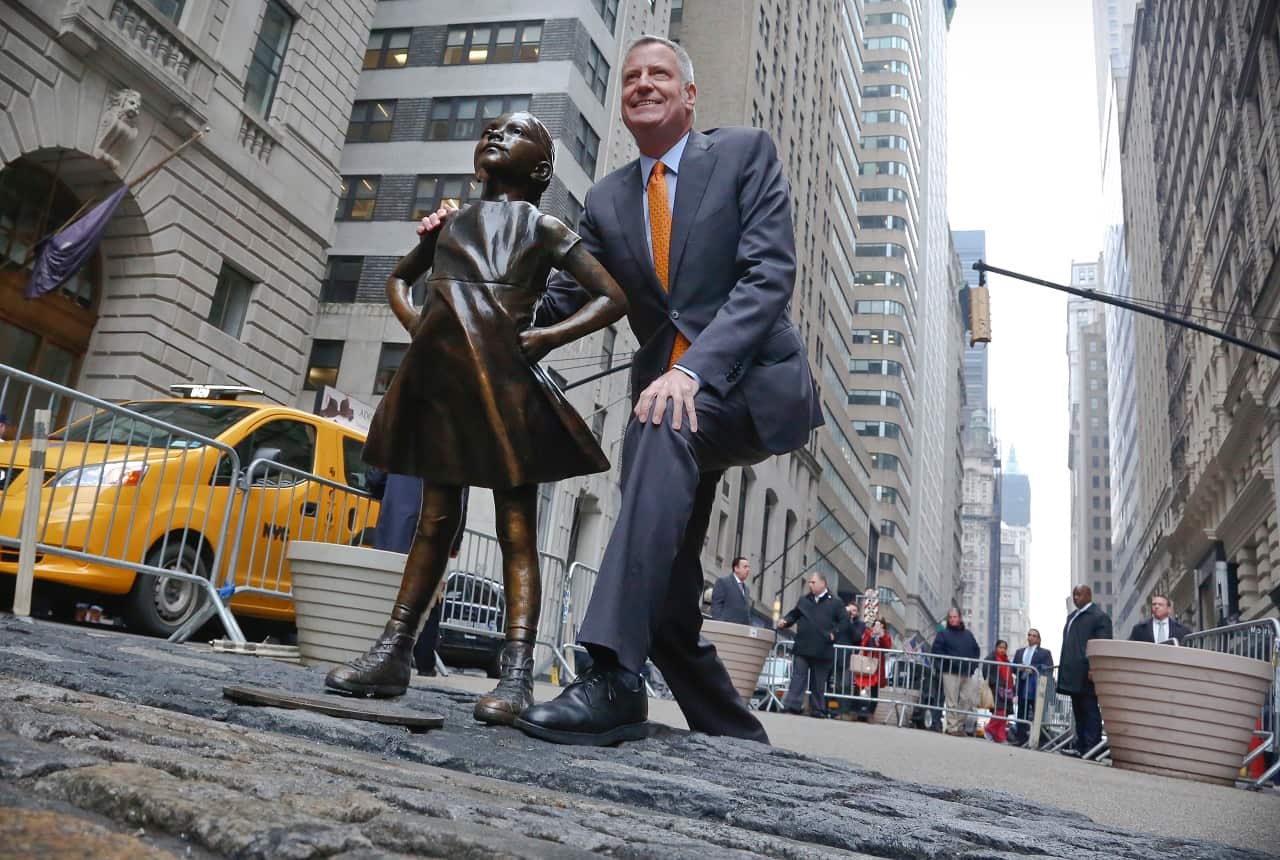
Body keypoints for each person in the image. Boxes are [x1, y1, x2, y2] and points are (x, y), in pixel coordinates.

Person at [512, 35, 821, 746]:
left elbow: (768, 276)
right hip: (668, 403)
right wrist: (467, 263)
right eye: (631, 76)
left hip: (745, 389)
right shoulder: (610, 198)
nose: (642, 84)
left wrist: (693, 370)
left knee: (660, 427)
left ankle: (613, 675)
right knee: (669, 573)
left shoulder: (745, 153)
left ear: (689, 95)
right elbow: (558, 296)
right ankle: (736, 737)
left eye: (659, 75)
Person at [325, 111, 628, 728]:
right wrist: (419, 329)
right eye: (489, 129)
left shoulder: (542, 226)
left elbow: (612, 296)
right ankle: (394, 651)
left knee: (516, 527)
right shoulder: (453, 220)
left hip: (504, 388)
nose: (494, 136)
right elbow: (398, 280)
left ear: (541, 168)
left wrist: (545, 335)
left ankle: (515, 674)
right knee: (433, 521)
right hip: (442, 388)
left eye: (513, 133)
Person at [777, 573, 845, 718]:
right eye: (809, 582)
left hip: (823, 648)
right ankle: (792, 705)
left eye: (813, 582)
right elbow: (794, 614)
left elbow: (844, 622)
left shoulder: (835, 603)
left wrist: (835, 634)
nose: (810, 585)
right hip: (803, 645)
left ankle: (817, 709)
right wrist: (786, 621)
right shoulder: (804, 600)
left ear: (823, 583)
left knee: (818, 681)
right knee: (798, 677)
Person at [1058, 584, 1113, 756]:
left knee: (1089, 709)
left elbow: (1102, 645)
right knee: (1078, 709)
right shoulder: (1072, 616)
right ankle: (1080, 745)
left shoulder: (1099, 617)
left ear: (1089, 595)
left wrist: (1094, 666)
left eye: (1079, 595)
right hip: (1073, 672)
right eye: (1074, 595)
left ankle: (1092, 746)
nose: (1076, 598)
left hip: (1087, 672)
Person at [931, 608, 981, 736]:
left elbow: (976, 651)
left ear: (960, 618)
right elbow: (936, 650)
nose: (953, 619)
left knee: (967, 699)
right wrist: (948, 663)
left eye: (955, 617)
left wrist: (973, 666)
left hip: (966, 672)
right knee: (951, 701)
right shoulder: (943, 634)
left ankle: (959, 725)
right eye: (951, 617)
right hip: (950, 672)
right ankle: (952, 727)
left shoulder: (968, 635)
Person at [1009, 628, 1054, 746]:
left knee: (1037, 713)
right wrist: (1020, 668)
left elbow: (1049, 668)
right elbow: (1013, 668)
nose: (1031, 637)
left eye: (1034, 635)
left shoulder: (1045, 653)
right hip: (1022, 686)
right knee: (1021, 712)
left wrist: (1034, 669)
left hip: (1037, 688)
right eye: (1029, 635)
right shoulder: (1020, 652)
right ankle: (1020, 738)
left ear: (1038, 639)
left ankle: (1036, 739)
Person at [852, 619, 892, 722]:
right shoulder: (868, 633)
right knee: (859, 686)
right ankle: (856, 711)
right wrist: (872, 634)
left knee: (874, 690)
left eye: (880, 625)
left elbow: (887, 647)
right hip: (865, 664)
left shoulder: (886, 636)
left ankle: (870, 713)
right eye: (876, 625)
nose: (878, 627)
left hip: (877, 666)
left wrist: (881, 635)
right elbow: (863, 644)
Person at [983, 639, 1015, 743]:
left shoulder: (1006, 660)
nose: (1002, 650)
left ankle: (1000, 736)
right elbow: (985, 671)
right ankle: (989, 729)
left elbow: (1011, 672)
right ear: (996, 647)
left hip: (1007, 690)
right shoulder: (991, 657)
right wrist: (994, 683)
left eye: (1004, 648)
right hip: (996, 688)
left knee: (1005, 714)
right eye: (1000, 647)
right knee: (1000, 711)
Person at [709, 556, 753, 624]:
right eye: (745, 567)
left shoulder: (747, 589)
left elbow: (746, 613)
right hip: (726, 629)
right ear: (736, 568)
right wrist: (720, 625)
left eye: (748, 567)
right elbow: (716, 606)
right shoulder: (723, 582)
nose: (748, 570)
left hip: (740, 631)